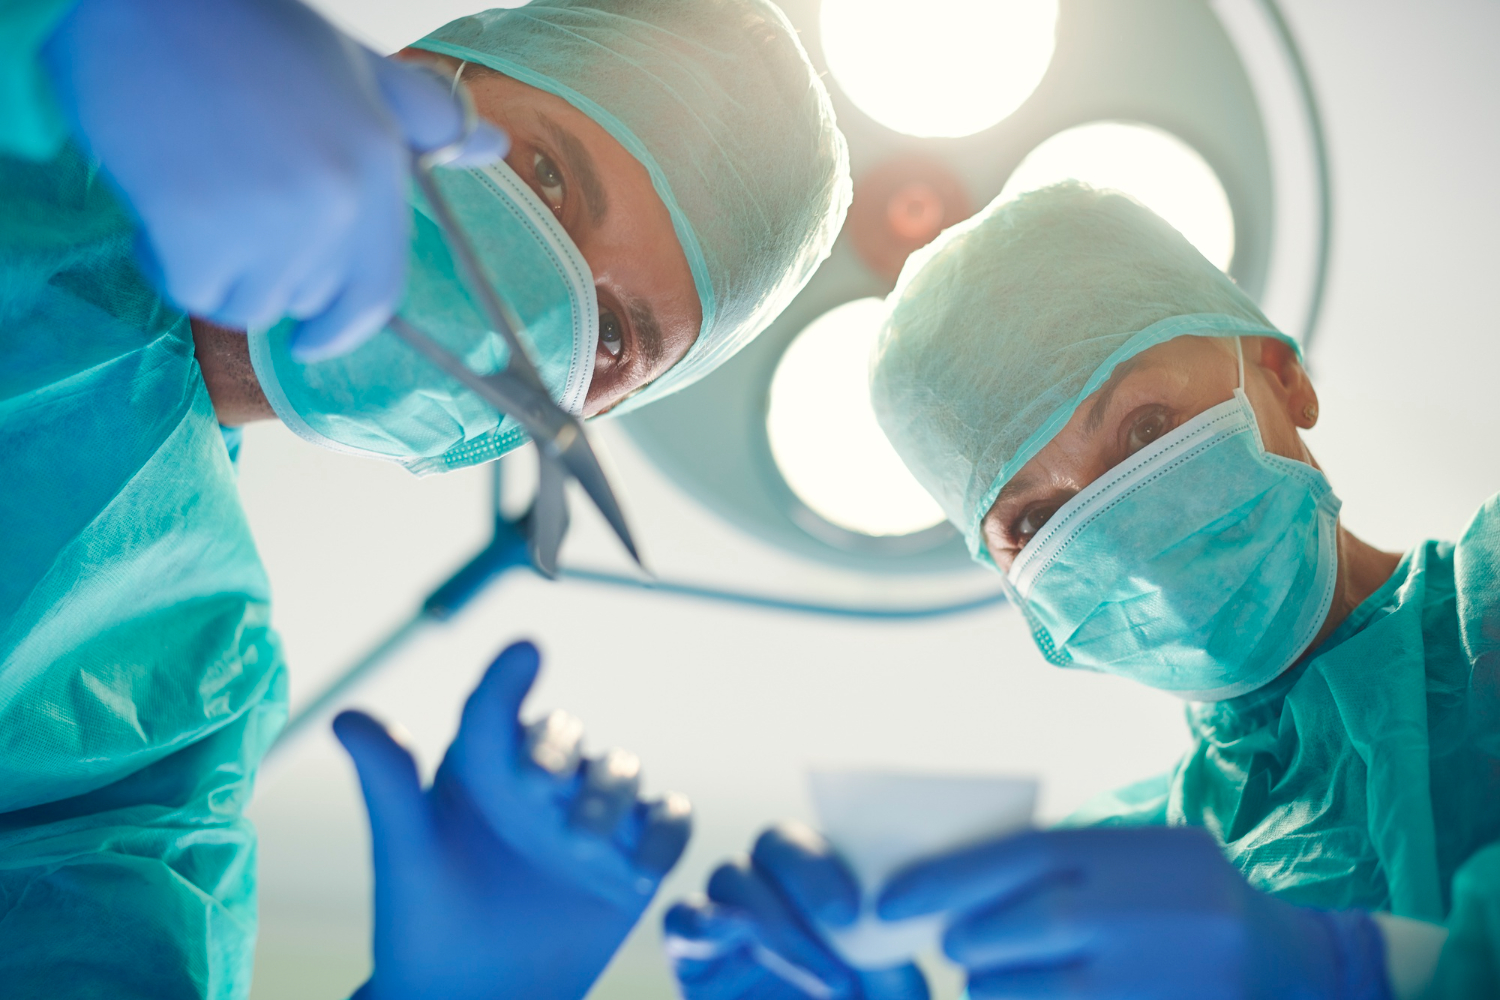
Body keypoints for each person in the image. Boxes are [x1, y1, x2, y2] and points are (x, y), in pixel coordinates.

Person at [0, 0, 847, 995]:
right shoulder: (83, 68)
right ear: (414, 77)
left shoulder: (170, 703)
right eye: (546, 174)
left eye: (609, 333)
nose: (538, 291)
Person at [661, 184, 1500, 999]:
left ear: (1284, 378)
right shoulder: (1099, 890)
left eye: (1144, 428)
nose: (1122, 531)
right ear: (1015, 590)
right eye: (1036, 521)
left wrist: (1349, 972)